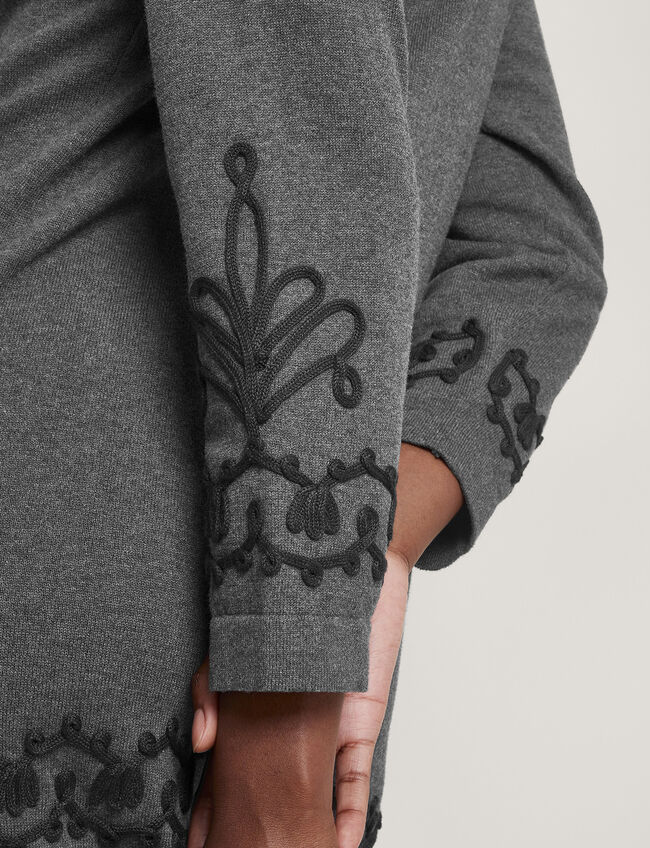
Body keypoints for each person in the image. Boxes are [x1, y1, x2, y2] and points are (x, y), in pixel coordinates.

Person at [0, 0, 605, 846]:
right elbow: (535, 252)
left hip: (91, 614)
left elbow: (523, 245)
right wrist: (359, 560)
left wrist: (286, 682)